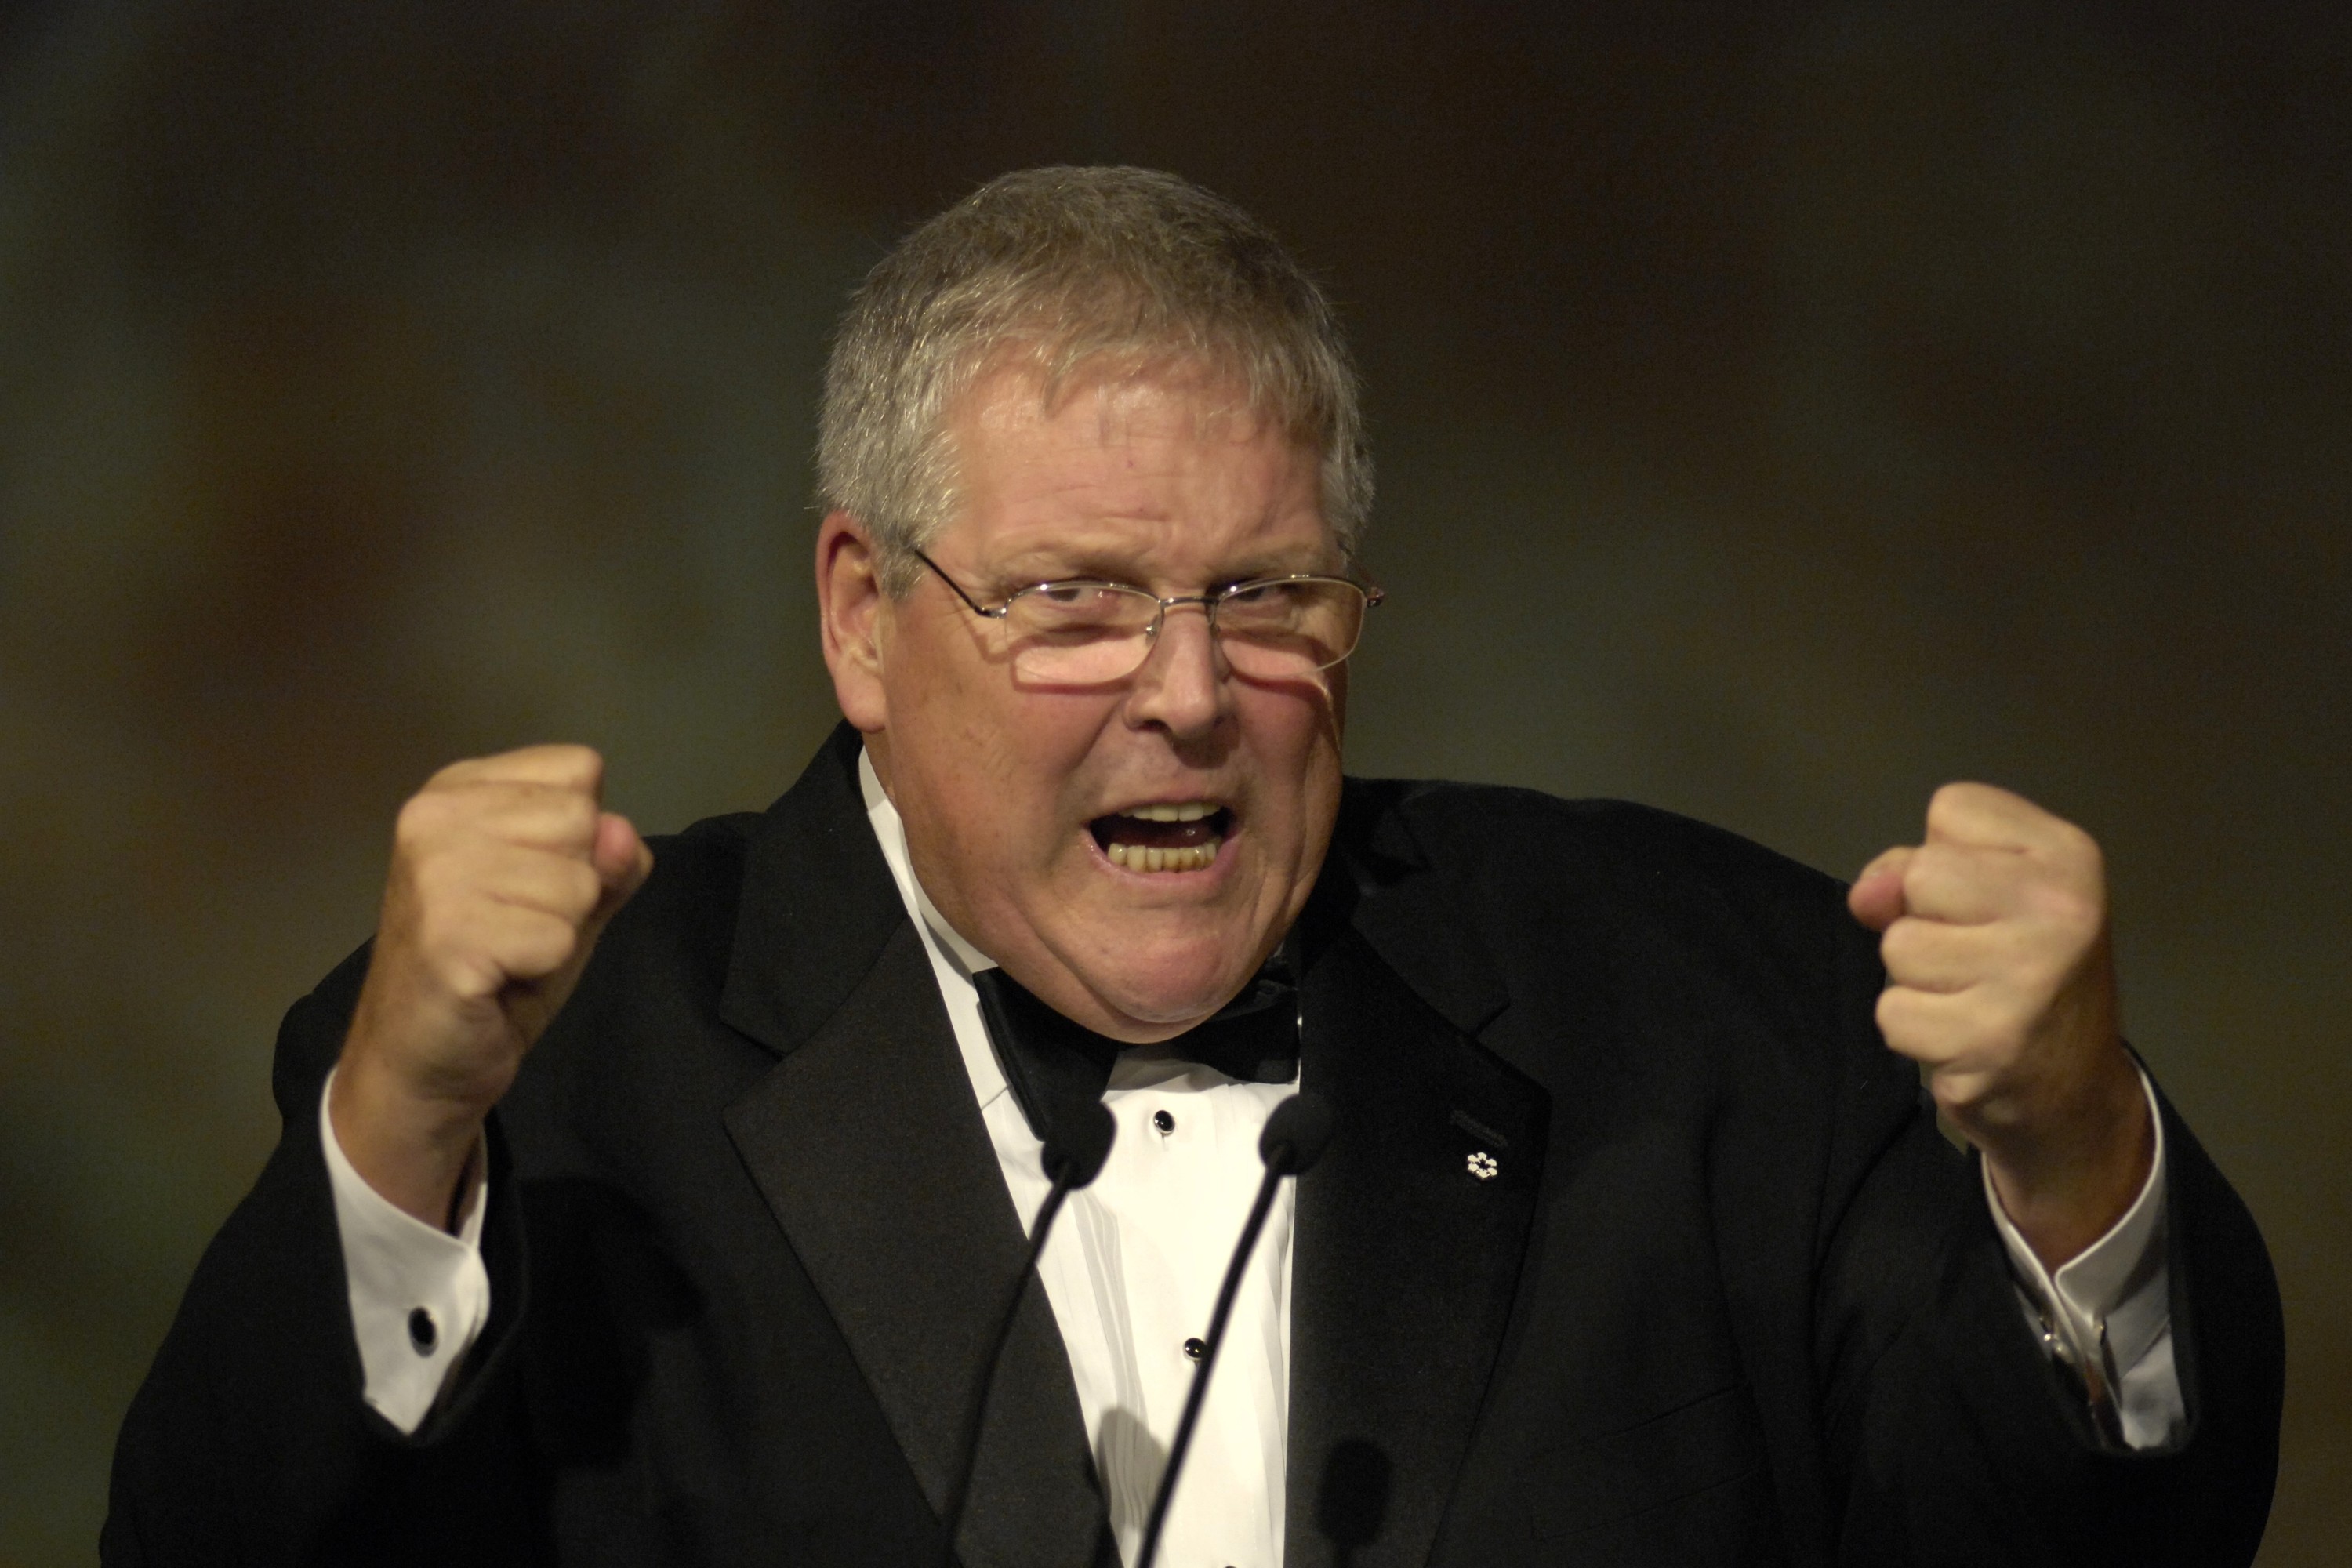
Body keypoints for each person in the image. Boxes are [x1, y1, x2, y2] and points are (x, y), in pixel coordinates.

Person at [106, 167, 2281, 1567]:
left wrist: (2081, 1157)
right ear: (863, 615)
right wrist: (394, 1132)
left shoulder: (1730, 1017)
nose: (1188, 695)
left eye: (1266, 596)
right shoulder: (558, 1078)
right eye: (1072, 599)